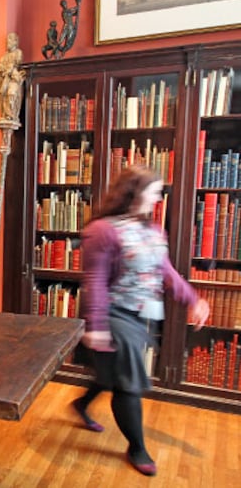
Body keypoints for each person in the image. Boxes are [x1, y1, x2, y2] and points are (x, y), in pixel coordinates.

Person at [72, 166, 210, 477]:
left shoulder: (153, 231)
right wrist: (96, 326)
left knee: (111, 373)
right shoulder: (103, 230)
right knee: (128, 383)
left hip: (140, 315)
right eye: (154, 191)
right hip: (112, 314)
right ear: (134, 192)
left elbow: (166, 271)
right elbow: (94, 281)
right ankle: (137, 448)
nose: (159, 198)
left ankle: (81, 405)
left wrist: (194, 299)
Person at [0, 32, 25, 122]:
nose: (8, 42)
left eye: (10, 40)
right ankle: (6, 114)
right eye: (7, 40)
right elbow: (0, 67)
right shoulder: (4, 56)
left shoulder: (18, 52)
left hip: (14, 79)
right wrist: (3, 70)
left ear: (15, 42)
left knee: (11, 93)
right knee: (3, 95)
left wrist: (10, 69)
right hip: (5, 79)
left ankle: (11, 115)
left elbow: (17, 63)